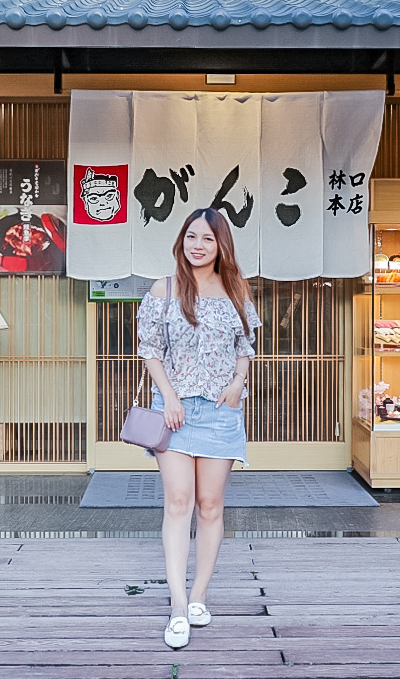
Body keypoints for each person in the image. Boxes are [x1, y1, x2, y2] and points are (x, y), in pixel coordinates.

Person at [136, 207, 261, 649]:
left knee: (210, 505)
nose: (198, 245)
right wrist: (169, 397)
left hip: (221, 412)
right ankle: (175, 605)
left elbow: (244, 345)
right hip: (175, 412)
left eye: (207, 238)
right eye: (191, 236)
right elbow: (149, 348)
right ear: (181, 240)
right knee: (178, 502)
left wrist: (237, 384)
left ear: (220, 245)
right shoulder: (164, 290)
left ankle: (199, 596)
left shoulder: (235, 290)